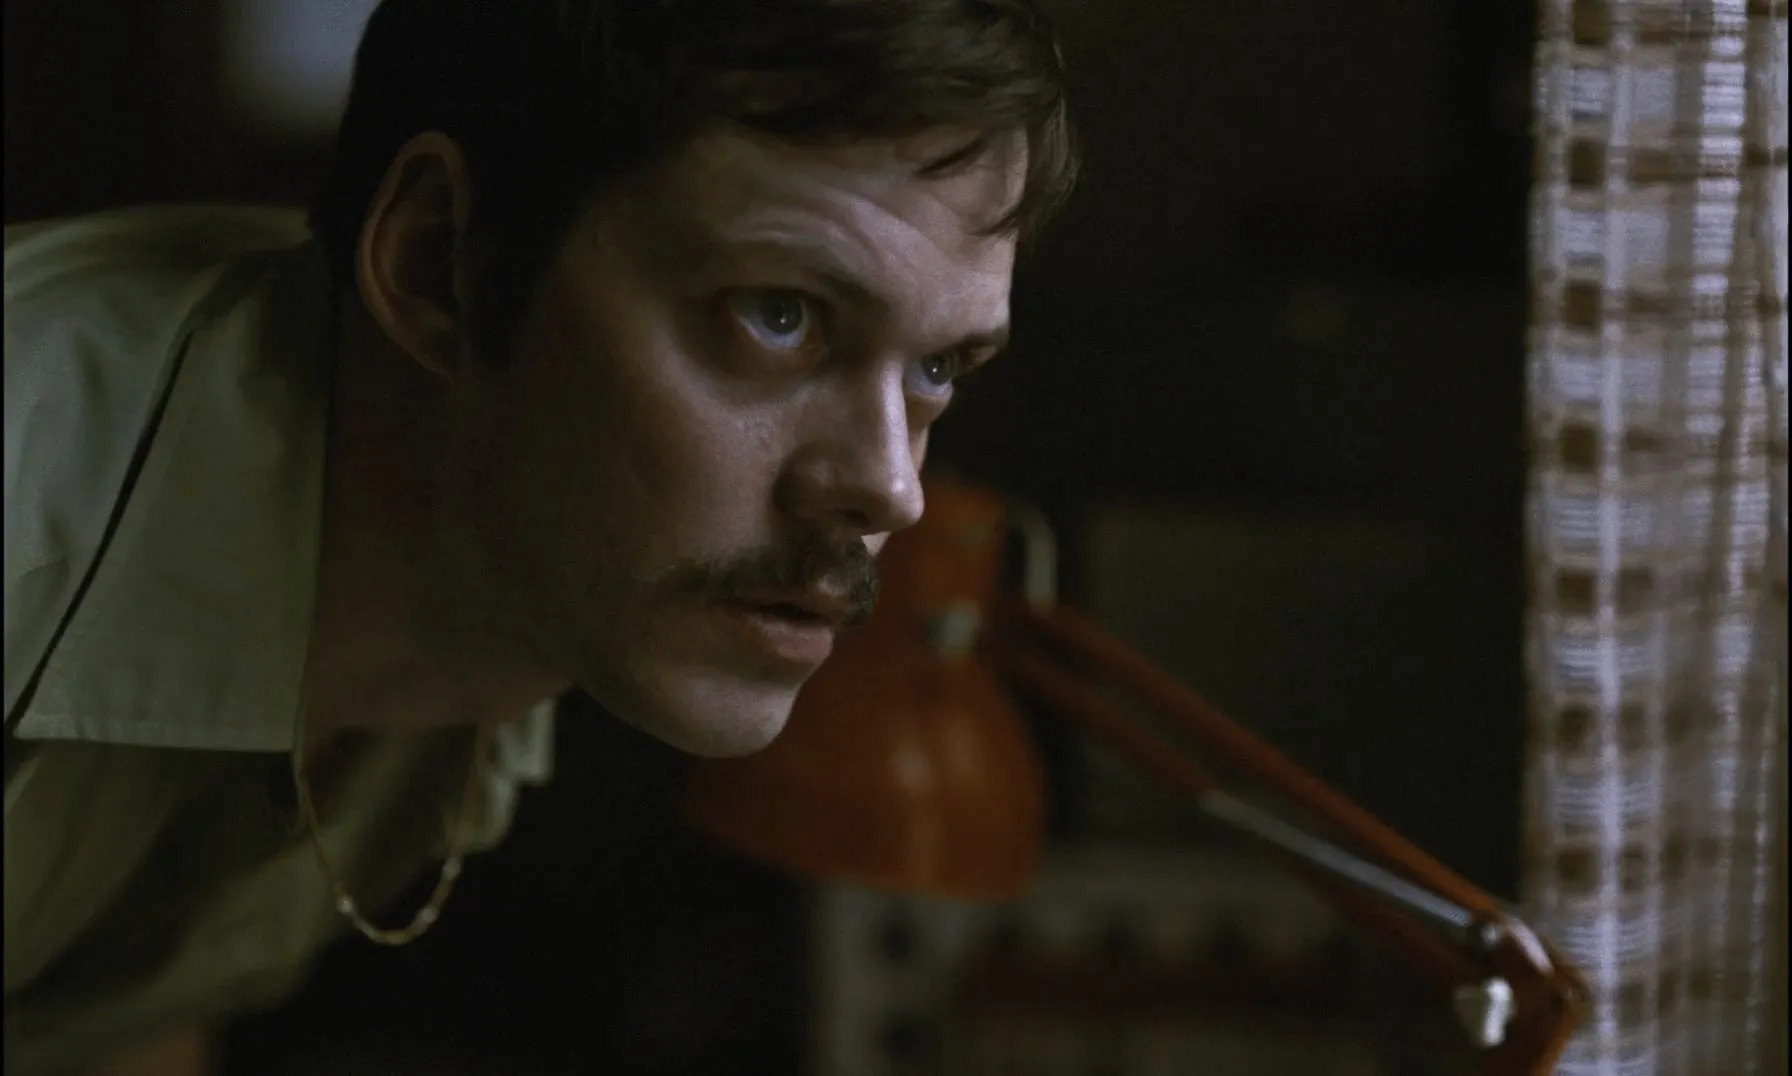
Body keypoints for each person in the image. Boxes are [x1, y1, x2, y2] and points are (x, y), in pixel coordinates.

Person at [2, 1, 1077, 1073]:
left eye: (937, 367)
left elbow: (110, 1024)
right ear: (440, 265)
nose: (890, 489)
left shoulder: (508, 595)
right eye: (778, 314)